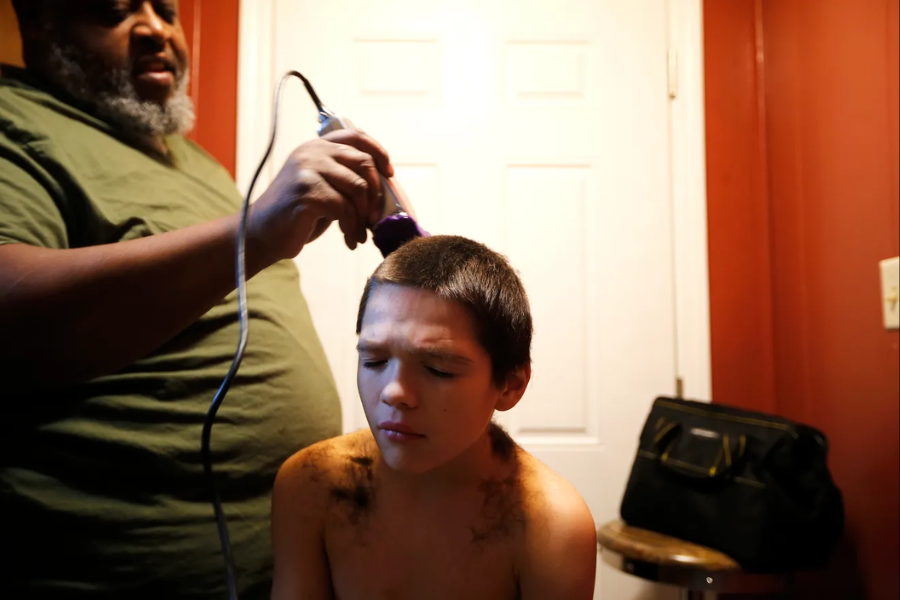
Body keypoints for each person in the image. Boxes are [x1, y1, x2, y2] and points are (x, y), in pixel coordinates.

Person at [0, 1, 395, 598]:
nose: (156, 28)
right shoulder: (14, 119)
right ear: (39, 22)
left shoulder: (194, 161)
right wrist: (255, 229)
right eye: (114, 9)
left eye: (167, 10)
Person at [271, 235, 599, 600]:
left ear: (510, 385)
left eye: (438, 369)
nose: (394, 392)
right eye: (374, 361)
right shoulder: (312, 484)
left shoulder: (550, 524)